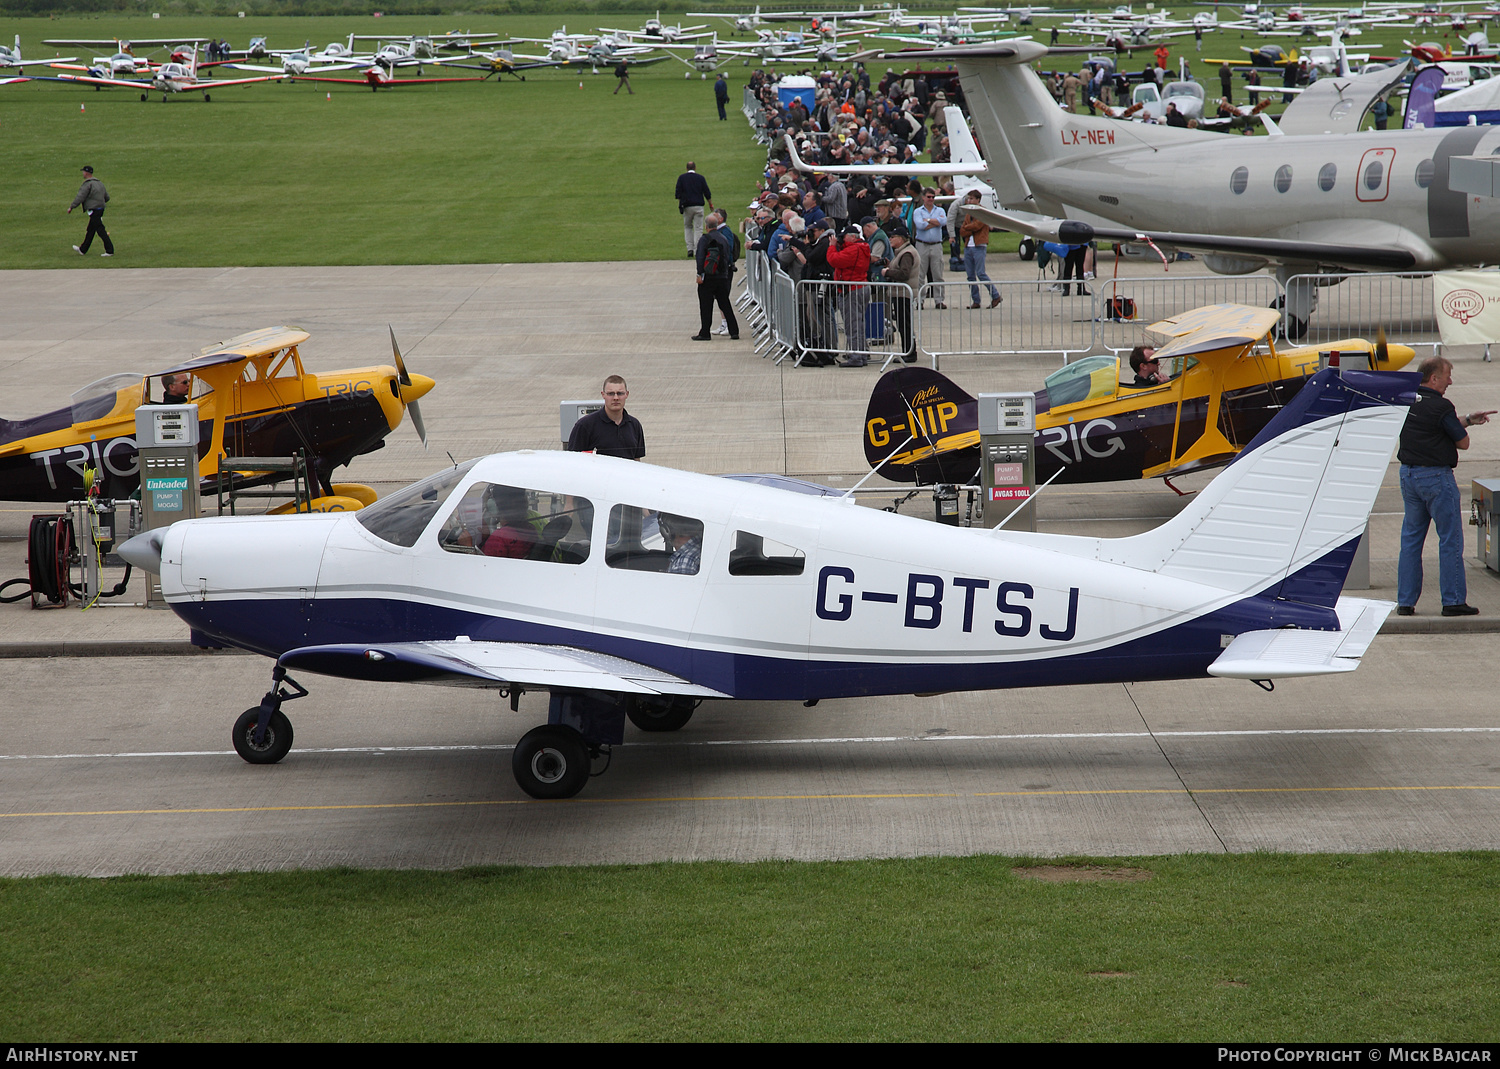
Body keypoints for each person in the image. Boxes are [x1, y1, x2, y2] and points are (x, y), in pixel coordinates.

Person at [1396, 356, 1494, 616]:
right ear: (1433, 378)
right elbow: (1463, 443)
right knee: (1450, 540)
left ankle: (1405, 602)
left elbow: (1435, 426)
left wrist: (1468, 419)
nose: (1450, 381)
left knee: (1411, 541)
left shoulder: (1407, 400)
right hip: (1436, 478)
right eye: (1447, 376)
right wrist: (1464, 426)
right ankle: (1452, 601)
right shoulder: (1441, 407)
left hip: (1408, 476)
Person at [567, 375, 645, 459]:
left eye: (620, 393)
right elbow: (573, 461)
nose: (616, 398)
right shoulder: (585, 425)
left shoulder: (634, 425)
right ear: (603, 394)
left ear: (627, 394)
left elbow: (637, 460)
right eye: (611, 394)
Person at [693, 211, 739, 342]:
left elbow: (700, 258)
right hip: (722, 277)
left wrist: (699, 274)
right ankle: (734, 330)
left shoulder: (705, 239)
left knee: (706, 305)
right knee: (725, 304)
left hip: (708, 277)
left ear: (706, 226)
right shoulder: (723, 238)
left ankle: (705, 332)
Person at [958, 190, 1002, 310]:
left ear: (978, 200)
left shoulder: (983, 212)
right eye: (968, 199)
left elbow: (978, 225)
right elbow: (962, 231)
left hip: (979, 246)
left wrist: (968, 228)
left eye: (972, 199)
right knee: (970, 276)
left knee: (981, 273)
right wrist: (969, 229)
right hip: (968, 246)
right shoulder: (968, 214)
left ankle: (995, 295)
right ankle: (976, 300)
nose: (969, 201)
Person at [882, 224, 919, 364]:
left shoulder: (907, 253)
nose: (890, 239)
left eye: (893, 237)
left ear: (902, 239)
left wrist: (887, 272)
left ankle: (909, 353)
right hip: (901, 293)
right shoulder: (902, 252)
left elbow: (904, 273)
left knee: (905, 325)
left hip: (904, 294)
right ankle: (907, 351)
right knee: (904, 324)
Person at [480, 484, 538, 559]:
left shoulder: (499, 537)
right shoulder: (531, 529)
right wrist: (486, 538)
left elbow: (484, 565)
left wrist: (468, 546)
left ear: (498, 506)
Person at [911, 187, 947, 309]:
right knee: (920, 274)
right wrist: (935, 222)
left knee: (938, 274)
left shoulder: (940, 210)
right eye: (928, 197)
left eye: (933, 197)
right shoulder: (918, 211)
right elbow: (920, 225)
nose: (931, 199)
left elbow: (943, 221)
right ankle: (920, 301)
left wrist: (928, 220)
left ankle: (939, 300)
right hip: (922, 244)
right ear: (923, 197)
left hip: (936, 245)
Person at [68, 165, 113, 258]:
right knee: (91, 230)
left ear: (86, 173)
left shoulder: (88, 184)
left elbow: (80, 196)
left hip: (94, 210)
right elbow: (107, 197)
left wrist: (72, 206)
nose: (83, 173)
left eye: (83, 172)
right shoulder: (100, 183)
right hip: (100, 208)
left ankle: (109, 250)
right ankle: (83, 249)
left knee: (100, 230)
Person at [675, 162, 713, 259]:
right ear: (695, 168)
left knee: (688, 227)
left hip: (687, 206)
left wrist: (681, 204)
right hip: (699, 206)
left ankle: (690, 249)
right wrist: (710, 204)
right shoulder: (700, 178)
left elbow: (678, 194)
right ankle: (698, 250)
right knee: (698, 228)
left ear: (686, 168)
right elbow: (707, 192)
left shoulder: (682, 178)